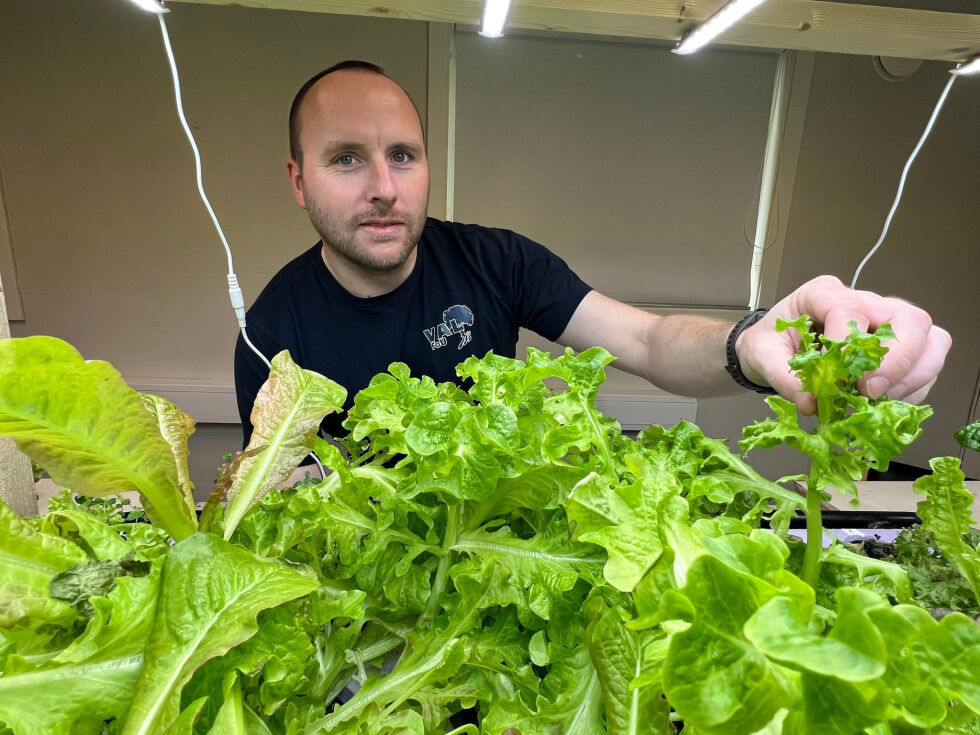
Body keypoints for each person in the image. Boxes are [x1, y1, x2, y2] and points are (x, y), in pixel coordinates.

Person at [234, 60, 952, 464]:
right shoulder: (269, 333)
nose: (385, 188)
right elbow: (286, 512)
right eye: (347, 159)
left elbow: (645, 339)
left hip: (501, 572)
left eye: (403, 155)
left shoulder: (496, 262)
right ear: (299, 180)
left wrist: (750, 345)